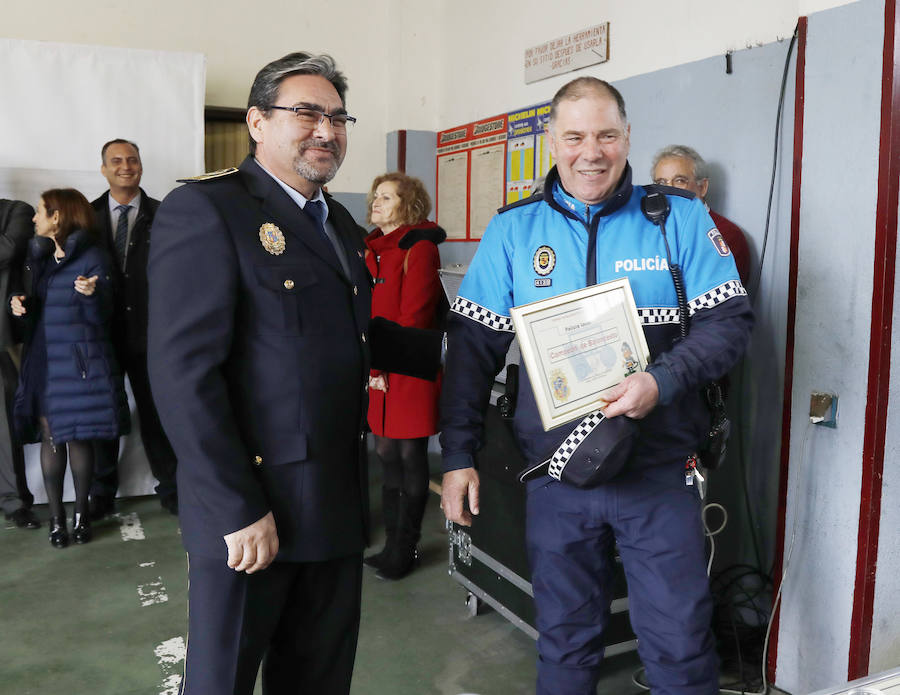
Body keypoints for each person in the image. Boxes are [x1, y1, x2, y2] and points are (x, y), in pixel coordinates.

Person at [440, 77, 753, 695]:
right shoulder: (514, 231)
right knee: (564, 643)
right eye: (575, 136)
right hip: (557, 482)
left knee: (682, 648)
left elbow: (729, 325)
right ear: (552, 142)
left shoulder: (679, 220)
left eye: (606, 135)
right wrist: (456, 456)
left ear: (627, 137)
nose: (592, 152)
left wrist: (660, 382)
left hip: (659, 476)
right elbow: (471, 354)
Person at [148, 52, 379, 695]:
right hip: (252, 517)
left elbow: (349, 336)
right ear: (256, 122)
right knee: (222, 682)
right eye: (306, 112)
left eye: (337, 117)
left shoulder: (339, 225)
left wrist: (470, 343)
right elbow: (183, 374)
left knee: (317, 681)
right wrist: (235, 506)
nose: (326, 130)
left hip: (334, 502)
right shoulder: (209, 210)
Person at [11, 189, 129, 548]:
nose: (35, 219)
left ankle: (81, 517)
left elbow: (104, 317)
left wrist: (92, 296)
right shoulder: (43, 257)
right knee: (51, 438)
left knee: (78, 437)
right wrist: (23, 305)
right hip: (45, 362)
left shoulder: (94, 257)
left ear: (58, 217)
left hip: (79, 364)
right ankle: (56, 521)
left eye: (41, 212)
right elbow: (44, 308)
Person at [362, 172, 446, 580]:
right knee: (385, 455)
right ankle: (390, 546)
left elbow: (413, 317)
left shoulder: (420, 247)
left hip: (407, 369)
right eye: (376, 196)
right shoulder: (373, 248)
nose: (376, 203)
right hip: (379, 369)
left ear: (408, 205)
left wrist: (380, 368)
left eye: (387, 197)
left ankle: (404, 549)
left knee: (409, 456)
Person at [89, 139, 177, 519]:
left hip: (153, 334)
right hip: (100, 336)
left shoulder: (166, 214)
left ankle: (174, 491)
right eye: (117, 161)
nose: (126, 166)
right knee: (104, 416)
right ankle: (101, 495)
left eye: (132, 160)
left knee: (159, 416)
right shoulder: (86, 216)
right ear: (104, 169)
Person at [651, 144, 751, 284]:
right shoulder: (649, 231)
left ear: (702, 187)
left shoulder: (727, 235)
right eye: (661, 183)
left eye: (679, 181)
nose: (669, 190)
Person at [0, 198, 39, 530]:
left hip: (3, 339)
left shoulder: (16, 211)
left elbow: (8, 250)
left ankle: (14, 500)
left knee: (4, 425)